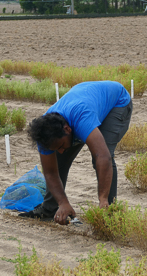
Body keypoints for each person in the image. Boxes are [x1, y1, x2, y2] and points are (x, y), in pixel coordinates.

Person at [20, 80, 132, 225]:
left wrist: (102, 198)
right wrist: (63, 203)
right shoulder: (43, 133)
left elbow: (103, 157)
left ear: (68, 129)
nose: (60, 150)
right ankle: (50, 209)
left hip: (116, 102)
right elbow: (50, 173)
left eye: (60, 145)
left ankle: (109, 212)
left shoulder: (82, 117)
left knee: (102, 155)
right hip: (85, 97)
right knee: (59, 161)